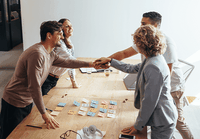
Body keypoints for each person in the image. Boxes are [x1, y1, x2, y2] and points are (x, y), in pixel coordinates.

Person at [96, 11, 194, 139]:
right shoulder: (152, 58)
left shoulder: (154, 66)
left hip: (163, 119)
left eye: (137, 43)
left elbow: (149, 101)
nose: (135, 46)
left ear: (143, 44)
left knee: (178, 123)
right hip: (161, 114)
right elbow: (131, 67)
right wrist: (110, 61)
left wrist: (137, 126)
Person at [0, 21, 94, 139]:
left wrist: (92, 64)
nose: (62, 36)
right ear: (49, 35)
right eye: (59, 33)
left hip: (26, 101)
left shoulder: (50, 53)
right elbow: (34, 87)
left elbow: (68, 62)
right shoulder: (37, 54)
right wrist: (44, 113)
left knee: (21, 134)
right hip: (14, 102)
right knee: (9, 135)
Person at [42, 18, 80, 96]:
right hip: (47, 78)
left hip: (55, 78)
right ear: (61, 30)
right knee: (43, 102)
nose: (70, 28)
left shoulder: (70, 44)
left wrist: (74, 82)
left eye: (71, 26)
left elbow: (70, 65)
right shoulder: (59, 44)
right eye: (67, 26)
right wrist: (91, 64)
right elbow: (70, 60)